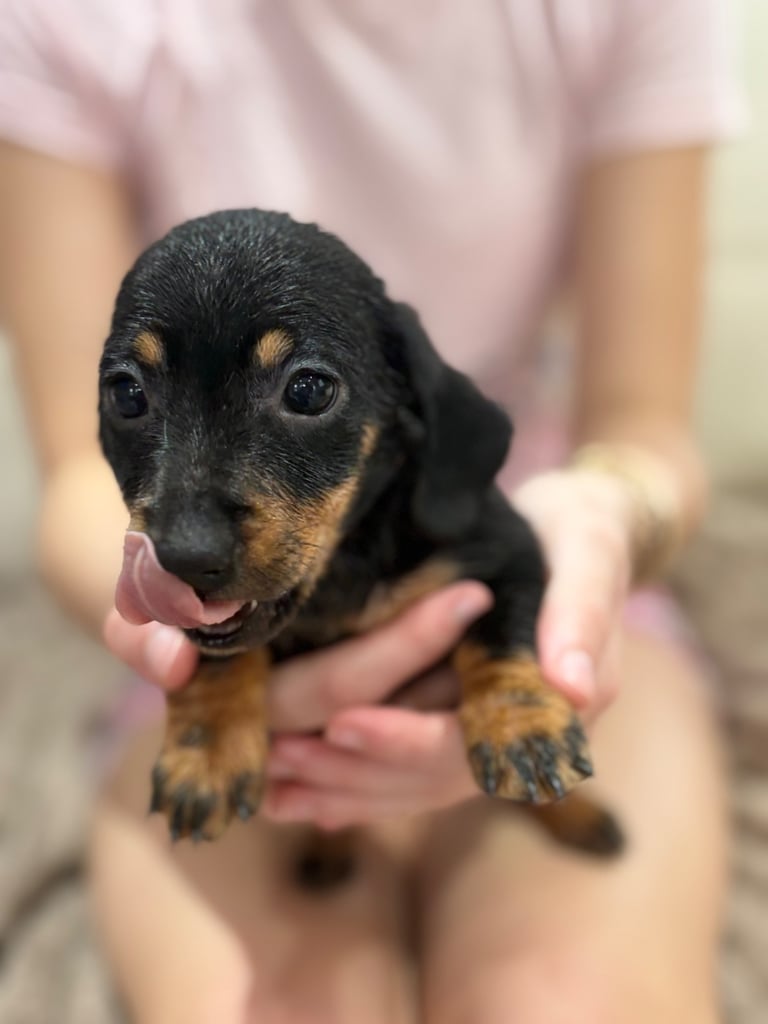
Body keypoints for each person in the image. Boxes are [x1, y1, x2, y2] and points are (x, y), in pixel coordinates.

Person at [0, 2, 743, 1021]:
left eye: (302, 392)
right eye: (132, 393)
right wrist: (191, 652)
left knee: (563, 1001)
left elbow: (643, 423)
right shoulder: (68, 19)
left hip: (519, 507)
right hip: (208, 628)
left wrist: (607, 515)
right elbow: (80, 480)